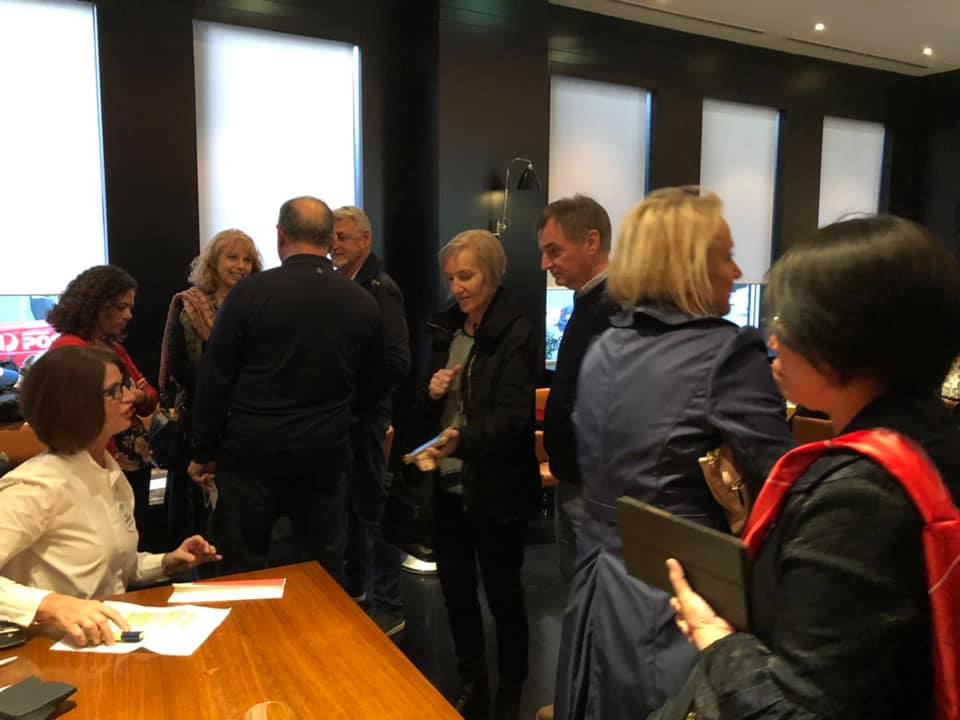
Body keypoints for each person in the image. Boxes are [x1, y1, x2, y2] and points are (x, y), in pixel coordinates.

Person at [652, 215, 960, 720]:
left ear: (844, 337)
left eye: (787, 322)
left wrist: (715, 640)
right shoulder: (934, 438)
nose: (773, 342)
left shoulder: (860, 496)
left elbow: (795, 707)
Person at [553, 188, 795, 720]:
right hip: (683, 595)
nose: (738, 271)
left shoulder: (606, 345)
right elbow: (784, 482)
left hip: (598, 578)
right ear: (689, 265)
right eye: (727, 256)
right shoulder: (727, 353)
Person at [188, 196, 383, 582]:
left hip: (250, 454)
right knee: (322, 574)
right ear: (330, 239)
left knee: (241, 570)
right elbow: (373, 384)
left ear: (280, 236)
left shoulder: (248, 295)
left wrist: (203, 451)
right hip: (325, 456)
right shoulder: (361, 301)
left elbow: (216, 379)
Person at [0, 346, 220, 646]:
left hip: (101, 641)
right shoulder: (36, 485)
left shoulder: (109, 471)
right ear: (74, 404)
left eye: (125, 386)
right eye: (114, 391)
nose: (130, 397)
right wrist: (49, 604)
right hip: (44, 648)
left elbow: (115, 568)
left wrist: (167, 562)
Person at [411, 229, 539, 720]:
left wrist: (463, 440)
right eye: (451, 278)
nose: (457, 287)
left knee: (504, 597)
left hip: (496, 489)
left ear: (492, 274)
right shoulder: (448, 329)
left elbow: (515, 419)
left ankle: (510, 691)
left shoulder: (517, 332)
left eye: (466, 276)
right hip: (448, 485)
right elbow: (427, 406)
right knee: (457, 594)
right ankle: (472, 682)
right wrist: (431, 391)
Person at [331, 206, 411, 637]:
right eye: (332, 237)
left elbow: (397, 361)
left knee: (371, 509)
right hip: (349, 417)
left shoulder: (381, 290)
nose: (335, 245)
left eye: (343, 237)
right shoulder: (346, 285)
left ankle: (389, 606)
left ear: (366, 240)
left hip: (364, 416)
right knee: (351, 507)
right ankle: (356, 589)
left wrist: (354, 395)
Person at [158, 228, 262, 543]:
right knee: (193, 510)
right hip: (197, 416)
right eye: (233, 257)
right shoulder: (188, 304)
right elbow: (176, 363)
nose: (241, 266)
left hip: (244, 419)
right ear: (214, 261)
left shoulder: (258, 305)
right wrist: (216, 386)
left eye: (247, 260)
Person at [48, 265, 161, 550]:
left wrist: (139, 397)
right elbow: (77, 415)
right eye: (121, 307)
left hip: (131, 459)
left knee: (133, 535)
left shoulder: (111, 347)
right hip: (101, 460)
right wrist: (137, 396)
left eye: (130, 307)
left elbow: (150, 395)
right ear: (96, 304)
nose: (128, 315)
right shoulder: (70, 350)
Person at [537, 194, 617, 580]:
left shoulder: (617, 308)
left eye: (554, 251)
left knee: (597, 596)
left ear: (591, 241)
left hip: (597, 489)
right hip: (573, 479)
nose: (545, 264)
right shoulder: (587, 302)